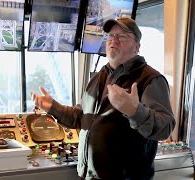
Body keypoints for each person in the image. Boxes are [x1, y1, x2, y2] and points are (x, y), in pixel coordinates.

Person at [31, 17, 176, 180]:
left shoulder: (150, 79)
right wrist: (53, 107)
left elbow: (165, 127)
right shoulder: (99, 77)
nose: (113, 40)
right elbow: (81, 117)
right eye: (110, 36)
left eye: (121, 36)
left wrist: (135, 111)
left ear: (137, 46)